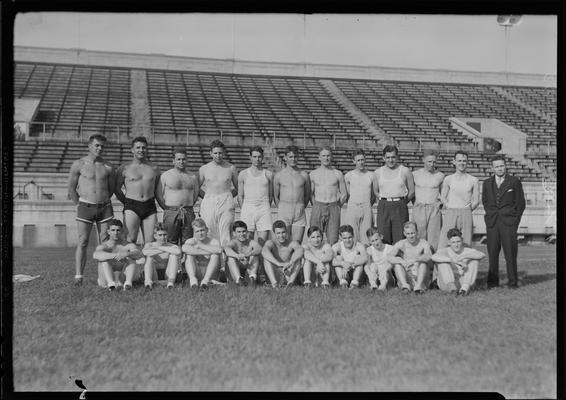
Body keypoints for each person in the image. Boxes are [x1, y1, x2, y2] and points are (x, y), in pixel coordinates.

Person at [68, 134, 116, 286]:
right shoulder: (78, 164)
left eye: (102, 146)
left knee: (106, 243)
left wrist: (102, 201)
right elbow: (71, 188)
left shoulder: (108, 167)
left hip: (104, 208)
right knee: (83, 242)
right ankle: (78, 276)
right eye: (97, 145)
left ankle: (105, 277)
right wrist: (79, 205)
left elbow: (112, 189)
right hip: (85, 207)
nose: (99, 148)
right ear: (89, 146)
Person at [482, 155, 526, 289]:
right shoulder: (486, 183)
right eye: (497, 166)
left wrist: (514, 221)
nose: (499, 169)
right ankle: (492, 282)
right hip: (492, 223)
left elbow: (521, 204)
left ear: (505, 166)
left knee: (510, 254)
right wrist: (491, 215)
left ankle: (512, 283)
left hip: (509, 223)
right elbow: (485, 201)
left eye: (501, 166)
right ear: (492, 168)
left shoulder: (514, 181)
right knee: (493, 253)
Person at [115, 136, 160, 245]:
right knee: (130, 240)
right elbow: (117, 189)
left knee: (150, 242)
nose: (141, 150)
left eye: (144, 148)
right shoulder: (124, 168)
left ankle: (147, 262)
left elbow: (157, 189)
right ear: (132, 150)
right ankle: (130, 263)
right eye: (138, 147)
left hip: (149, 206)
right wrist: (126, 202)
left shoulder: (154, 168)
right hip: (132, 205)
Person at [155, 146, 199, 247]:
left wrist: (189, 206)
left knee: (188, 241)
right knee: (170, 240)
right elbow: (159, 195)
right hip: (171, 211)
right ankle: (171, 262)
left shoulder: (192, 176)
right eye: (178, 159)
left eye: (184, 159)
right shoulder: (166, 175)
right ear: (173, 161)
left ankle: (185, 262)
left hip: (188, 211)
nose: (181, 161)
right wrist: (168, 209)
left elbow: (195, 194)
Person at [198, 140, 238, 246]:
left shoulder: (231, 168)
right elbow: (196, 188)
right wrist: (206, 197)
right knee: (209, 229)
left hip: (226, 200)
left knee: (226, 231)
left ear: (223, 153)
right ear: (210, 153)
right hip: (209, 201)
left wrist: (228, 196)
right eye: (215, 153)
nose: (218, 155)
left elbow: (238, 188)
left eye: (220, 153)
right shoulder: (204, 169)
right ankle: (212, 257)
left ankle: (226, 258)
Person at [438, 150, 480, 249]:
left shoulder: (473, 180)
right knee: (445, 241)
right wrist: (449, 206)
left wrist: (467, 210)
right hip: (451, 212)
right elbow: (443, 197)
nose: (462, 163)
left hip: (466, 212)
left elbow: (476, 200)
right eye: (459, 160)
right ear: (454, 162)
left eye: (464, 161)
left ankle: (465, 263)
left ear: (467, 162)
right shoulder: (448, 179)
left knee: (466, 241)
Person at [374, 145, 415, 245]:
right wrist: (384, 201)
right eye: (388, 157)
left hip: (400, 205)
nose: (390, 160)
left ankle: (399, 259)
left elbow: (412, 191)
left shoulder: (405, 170)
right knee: (383, 234)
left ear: (397, 157)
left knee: (400, 236)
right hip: (384, 205)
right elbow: (375, 191)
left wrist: (402, 202)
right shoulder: (378, 172)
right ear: (383, 158)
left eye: (393, 157)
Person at [309, 147, 347, 245]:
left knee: (333, 238)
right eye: (324, 156)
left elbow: (344, 193)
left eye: (328, 155)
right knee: (315, 237)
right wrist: (316, 205)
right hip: (318, 205)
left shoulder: (338, 174)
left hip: (333, 206)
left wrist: (338, 206)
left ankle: (331, 259)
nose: (326, 158)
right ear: (319, 157)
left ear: (332, 157)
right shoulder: (313, 174)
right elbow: (310, 193)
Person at [237, 146, 274, 245]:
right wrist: (245, 208)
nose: (257, 159)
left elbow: (271, 196)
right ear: (250, 157)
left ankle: (261, 260)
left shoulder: (269, 174)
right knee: (247, 240)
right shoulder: (243, 174)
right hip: (248, 207)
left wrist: (264, 206)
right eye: (254, 156)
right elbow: (240, 196)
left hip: (263, 208)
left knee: (263, 241)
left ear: (262, 157)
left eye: (259, 157)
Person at [432, 228, 485, 296]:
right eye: (453, 242)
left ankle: (464, 290)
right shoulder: (445, 251)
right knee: (443, 263)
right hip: (447, 283)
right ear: (449, 242)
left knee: (474, 261)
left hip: (463, 282)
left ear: (462, 240)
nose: (456, 245)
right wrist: (452, 260)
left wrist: (465, 258)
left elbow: (482, 254)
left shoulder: (466, 250)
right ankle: (453, 290)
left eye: (458, 241)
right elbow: (434, 257)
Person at [92, 219, 143, 291]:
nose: (115, 233)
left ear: (122, 231)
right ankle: (111, 285)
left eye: (118, 230)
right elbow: (96, 255)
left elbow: (139, 254)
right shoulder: (104, 246)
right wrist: (116, 255)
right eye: (113, 230)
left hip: (123, 276)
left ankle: (128, 284)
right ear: (108, 232)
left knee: (131, 259)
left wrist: (126, 254)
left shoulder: (128, 245)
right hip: (106, 279)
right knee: (104, 260)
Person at [273, 145, 310, 243]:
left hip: (299, 212)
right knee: (284, 243)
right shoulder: (278, 176)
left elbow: (307, 195)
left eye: (295, 156)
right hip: (284, 211)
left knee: (297, 244)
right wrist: (283, 207)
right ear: (285, 158)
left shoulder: (304, 175)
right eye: (290, 157)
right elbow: (275, 196)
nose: (293, 159)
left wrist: (300, 206)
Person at [412, 149, 445, 251]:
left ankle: (432, 264)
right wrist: (417, 205)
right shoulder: (415, 174)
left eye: (434, 162)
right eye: (429, 161)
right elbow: (411, 192)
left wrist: (439, 204)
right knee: (419, 236)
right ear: (423, 160)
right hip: (419, 208)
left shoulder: (440, 175)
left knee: (434, 238)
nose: (432, 164)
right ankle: (419, 262)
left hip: (434, 209)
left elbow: (443, 195)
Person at [387, 221, 432, 294]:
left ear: (417, 232)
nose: (411, 236)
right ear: (404, 233)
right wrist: (401, 261)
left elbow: (428, 256)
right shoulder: (401, 243)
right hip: (407, 274)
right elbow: (388, 257)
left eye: (413, 233)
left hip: (420, 276)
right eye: (408, 234)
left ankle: (418, 287)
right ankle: (405, 286)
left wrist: (416, 259)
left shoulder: (423, 243)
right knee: (397, 263)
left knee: (423, 263)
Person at [344, 149, 377, 245]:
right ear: (353, 161)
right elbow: (347, 194)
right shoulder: (348, 176)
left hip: (366, 206)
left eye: (362, 160)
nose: (361, 162)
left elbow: (373, 195)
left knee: (367, 236)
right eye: (358, 160)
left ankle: (366, 257)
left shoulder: (371, 175)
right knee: (352, 235)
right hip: (353, 207)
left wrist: (367, 205)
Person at [181, 218, 222, 289]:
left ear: (207, 230)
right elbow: (185, 249)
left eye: (202, 230)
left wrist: (200, 246)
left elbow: (219, 250)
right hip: (197, 272)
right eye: (197, 231)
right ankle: (193, 280)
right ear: (194, 233)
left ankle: (205, 281)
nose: (200, 233)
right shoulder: (191, 241)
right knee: (189, 255)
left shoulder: (213, 241)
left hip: (212, 274)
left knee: (215, 255)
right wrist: (208, 251)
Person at [261, 220, 305, 287]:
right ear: (274, 233)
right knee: (266, 259)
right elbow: (264, 251)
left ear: (286, 232)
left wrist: (291, 262)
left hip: (288, 271)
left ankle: (290, 283)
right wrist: (278, 263)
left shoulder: (291, 243)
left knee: (298, 259)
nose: (281, 235)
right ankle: (274, 283)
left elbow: (300, 250)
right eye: (278, 233)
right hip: (275, 272)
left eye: (283, 232)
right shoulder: (271, 243)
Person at [142, 223, 182, 290]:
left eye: (165, 235)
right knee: (149, 257)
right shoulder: (149, 245)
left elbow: (178, 251)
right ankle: (148, 283)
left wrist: (159, 248)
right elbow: (145, 252)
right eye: (160, 235)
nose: (163, 237)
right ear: (155, 236)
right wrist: (165, 249)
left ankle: (170, 283)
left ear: (167, 235)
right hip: (154, 274)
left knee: (173, 256)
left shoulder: (172, 246)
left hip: (169, 274)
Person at [223, 221, 262, 286]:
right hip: (234, 272)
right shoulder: (233, 242)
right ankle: (239, 279)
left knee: (255, 255)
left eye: (244, 231)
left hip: (248, 270)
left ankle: (252, 278)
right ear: (234, 233)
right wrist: (237, 256)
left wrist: (246, 255)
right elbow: (226, 249)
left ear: (247, 232)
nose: (242, 234)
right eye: (239, 232)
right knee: (230, 257)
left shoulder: (251, 242)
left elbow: (259, 248)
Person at [332, 224, 368, 289]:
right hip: (343, 273)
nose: (347, 240)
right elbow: (332, 261)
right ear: (340, 237)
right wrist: (342, 264)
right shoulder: (337, 246)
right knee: (338, 258)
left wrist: (351, 265)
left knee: (358, 258)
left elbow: (365, 258)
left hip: (356, 272)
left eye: (350, 237)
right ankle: (343, 283)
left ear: (353, 236)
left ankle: (354, 283)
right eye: (344, 238)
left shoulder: (359, 246)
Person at [364, 227, 395, 291]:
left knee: (386, 266)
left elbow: (391, 265)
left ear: (381, 237)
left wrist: (384, 269)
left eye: (377, 239)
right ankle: (373, 284)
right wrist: (370, 273)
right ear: (369, 242)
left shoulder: (389, 248)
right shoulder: (370, 250)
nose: (376, 243)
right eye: (373, 241)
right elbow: (368, 265)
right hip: (375, 276)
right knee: (372, 265)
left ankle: (383, 286)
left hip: (387, 276)